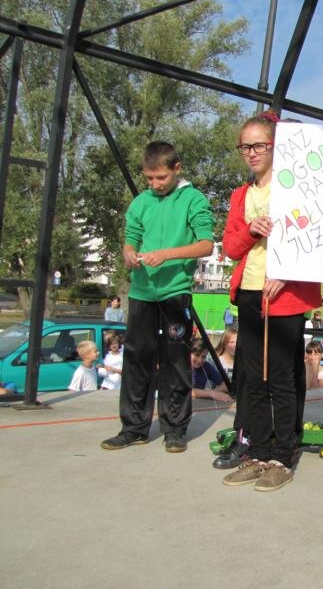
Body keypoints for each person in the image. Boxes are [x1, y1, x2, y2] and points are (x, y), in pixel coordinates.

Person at [218, 110, 321, 490]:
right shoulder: (241, 195)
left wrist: (287, 272)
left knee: (280, 378)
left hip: (284, 295)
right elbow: (230, 247)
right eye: (244, 147)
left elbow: (315, 241)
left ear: (277, 145)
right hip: (249, 292)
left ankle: (282, 457)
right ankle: (258, 452)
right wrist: (250, 231)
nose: (251, 153)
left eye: (259, 145)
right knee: (253, 379)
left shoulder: (297, 189)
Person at [100, 141, 214, 453]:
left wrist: (166, 254)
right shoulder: (141, 202)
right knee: (137, 359)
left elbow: (206, 244)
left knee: (175, 360)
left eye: (161, 177)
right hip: (142, 292)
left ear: (177, 169)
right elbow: (131, 238)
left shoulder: (193, 199)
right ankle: (133, 428)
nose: (155, 184)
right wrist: (128, 253)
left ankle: (175, 429)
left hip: (175, 293)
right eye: (149, 178)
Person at [190, 338, 232, 403]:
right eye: (197, 355)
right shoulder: (180, 366)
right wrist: (211, 394)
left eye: (203, 357)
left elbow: (226, 385)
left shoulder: (206, 366)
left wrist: (213, 392)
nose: (200, 360)